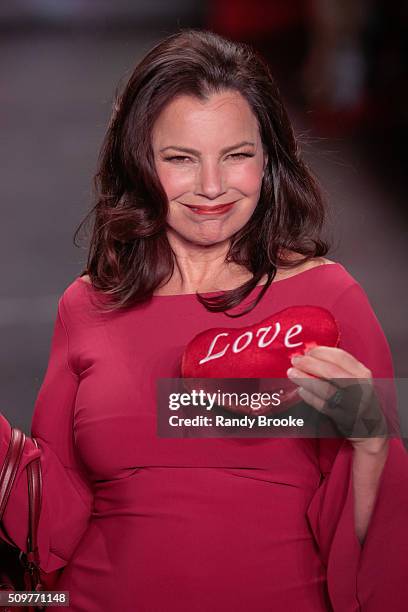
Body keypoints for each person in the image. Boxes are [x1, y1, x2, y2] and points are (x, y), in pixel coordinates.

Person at [0, 28, 407, 612]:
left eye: (236, 155)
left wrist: (372, 441)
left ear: (268, 160)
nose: (212, 187)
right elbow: (52, 520)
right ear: (140, 163)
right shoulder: (88, 304)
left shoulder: (330, 299)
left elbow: (383, 554)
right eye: (181, 159)